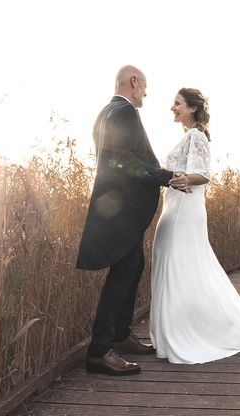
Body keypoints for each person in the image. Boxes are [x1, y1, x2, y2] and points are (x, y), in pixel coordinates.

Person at [76, 65, 187, 375]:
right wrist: (164, 176)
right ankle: (99, 351)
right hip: (120, 212)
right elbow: (121, 160)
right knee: (122, 276)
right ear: (134, 82)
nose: (146, 94)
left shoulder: (105, 112)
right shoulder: (124, 113)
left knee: (134, 266)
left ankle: (121, 335)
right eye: (144, 87)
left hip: (118, 211)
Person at [149, 88, 240, 364]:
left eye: (177, 103)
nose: (172, 108)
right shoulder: (188, 136)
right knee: (177, 265)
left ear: (191, 108)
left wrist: (179, 179)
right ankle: (170, 332)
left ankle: (190, 331)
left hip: (184, 211)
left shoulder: (196, 136)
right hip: (176, 207)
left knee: (181, 266)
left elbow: (203, 175)